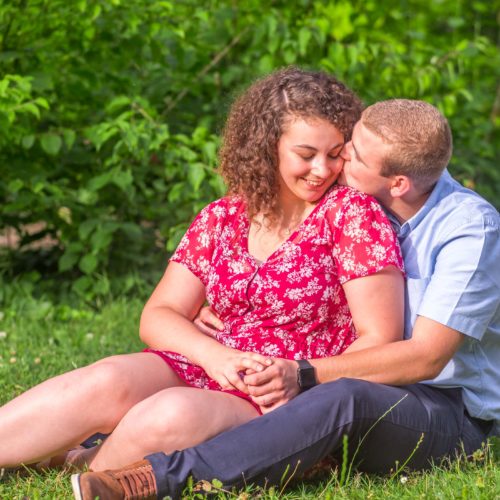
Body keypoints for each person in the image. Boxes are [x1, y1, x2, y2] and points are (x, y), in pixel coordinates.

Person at [71, 98, 499, 500]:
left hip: (449, 409)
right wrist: (216, 304)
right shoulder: (368, 197)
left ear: (399, 183)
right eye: (349, 142)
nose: (341, 156)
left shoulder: (469, 230)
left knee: (342, 397)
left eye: (354, 155)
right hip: (372, 381)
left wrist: (304, 373)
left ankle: (156, 478)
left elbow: (426, 358)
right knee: (338, 394)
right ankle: (99, 448)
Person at [0, 69, 404, 474]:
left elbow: (379, 337)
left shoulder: (353, 215)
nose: (322, 169)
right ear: (268, 146)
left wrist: (305, 386)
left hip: (283, 397)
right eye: (305, 154)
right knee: (107, 379)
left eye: (335, 154)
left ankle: (76, 462)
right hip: (211, 362)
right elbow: (158, 315)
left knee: (171, 412)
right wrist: (215, 356)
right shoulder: (224, 215)